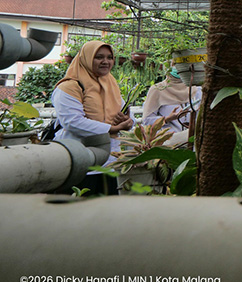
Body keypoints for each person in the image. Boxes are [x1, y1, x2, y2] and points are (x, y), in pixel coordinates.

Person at [51, 40, 134, 195]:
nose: (106, 62)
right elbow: (72, 122)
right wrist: (111, 128)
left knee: (104, 212)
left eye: (110, 57)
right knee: (76, 210)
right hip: (78, 160)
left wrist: (128, 122)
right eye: (99, 57)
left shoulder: (110, 83)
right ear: (86, 58)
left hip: (108, 161)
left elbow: (125, 111)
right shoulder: (69, 87)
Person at [142, 66, 202, 147]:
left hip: (193, 144)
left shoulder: (196, 90)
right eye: (175, 64)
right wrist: (168, 119)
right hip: (168, 144)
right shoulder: (157, 90)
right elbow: (147, 121)